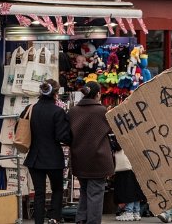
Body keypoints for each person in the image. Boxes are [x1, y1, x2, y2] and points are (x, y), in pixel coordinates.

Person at [23, 79, 71, 224]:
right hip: (53, 158)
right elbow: (62, 136)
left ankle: (38, 221)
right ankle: (54, 218)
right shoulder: (58, 111)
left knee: (39, 193)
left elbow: (21, 129)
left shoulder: (30, 109)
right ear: (55, 94)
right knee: (57, 190)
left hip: (34, 157)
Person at [68, 81, 112, 224]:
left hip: (79, 158)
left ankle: (81, 219)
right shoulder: (102, 111)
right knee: (96, 193)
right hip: (98, 160)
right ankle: (92, 221)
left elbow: (67, 134)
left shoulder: (73, 111)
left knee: (85, 191)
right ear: (97, 94)